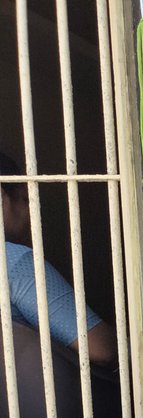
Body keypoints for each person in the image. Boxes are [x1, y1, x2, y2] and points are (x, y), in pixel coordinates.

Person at [1, 150, 117, 368]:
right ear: (3, 199)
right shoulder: (15, 262)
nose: (30, 213)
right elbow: (101, 348)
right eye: (26, 199)